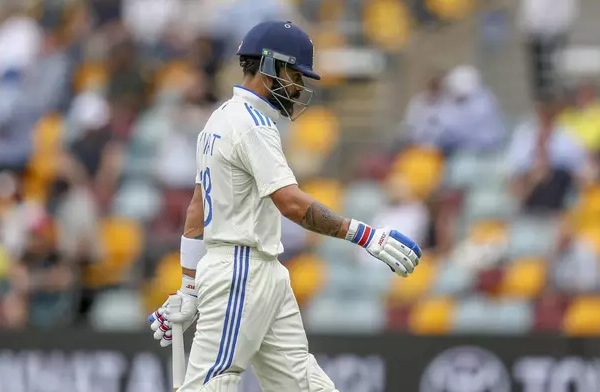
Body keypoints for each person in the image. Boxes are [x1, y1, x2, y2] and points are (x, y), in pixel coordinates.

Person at [148, 20, 422, 392]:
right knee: (212, 384)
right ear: (270, 67)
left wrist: (191, 286)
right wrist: (365, 235)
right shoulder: (253, 123)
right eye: (295, 74)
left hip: (260, 271)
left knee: (301, 384)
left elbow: (197, 208)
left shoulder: (219, 118)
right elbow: (290, 203)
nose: (299, 86)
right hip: (241, 270)